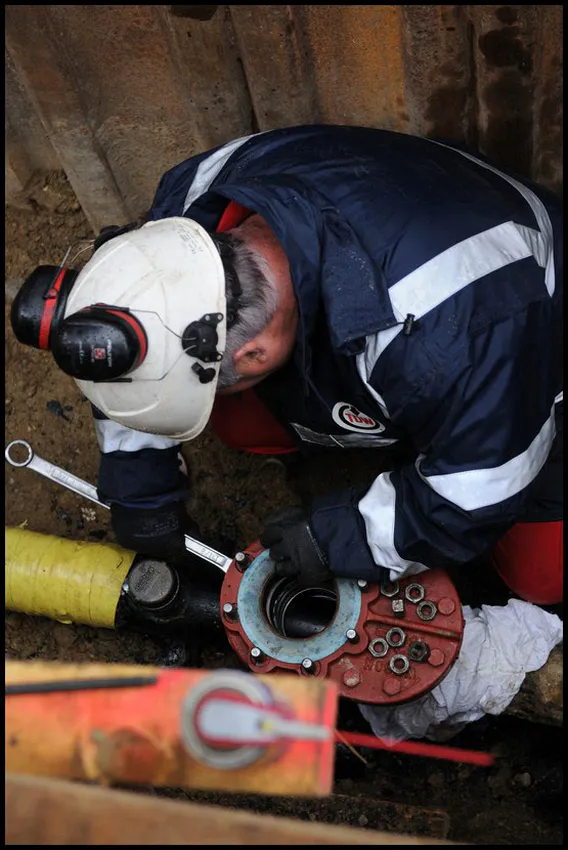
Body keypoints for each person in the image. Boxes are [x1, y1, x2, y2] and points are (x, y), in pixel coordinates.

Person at [11, 124, 563, 605]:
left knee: (540, 573)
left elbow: (476, 492)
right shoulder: (192, 209)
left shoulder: (457, 336)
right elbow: (131, 331)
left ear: (253, 354)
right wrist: (139, 472)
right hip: (402, 241)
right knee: (237, 421)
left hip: (531, 354)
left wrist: (352, 537)